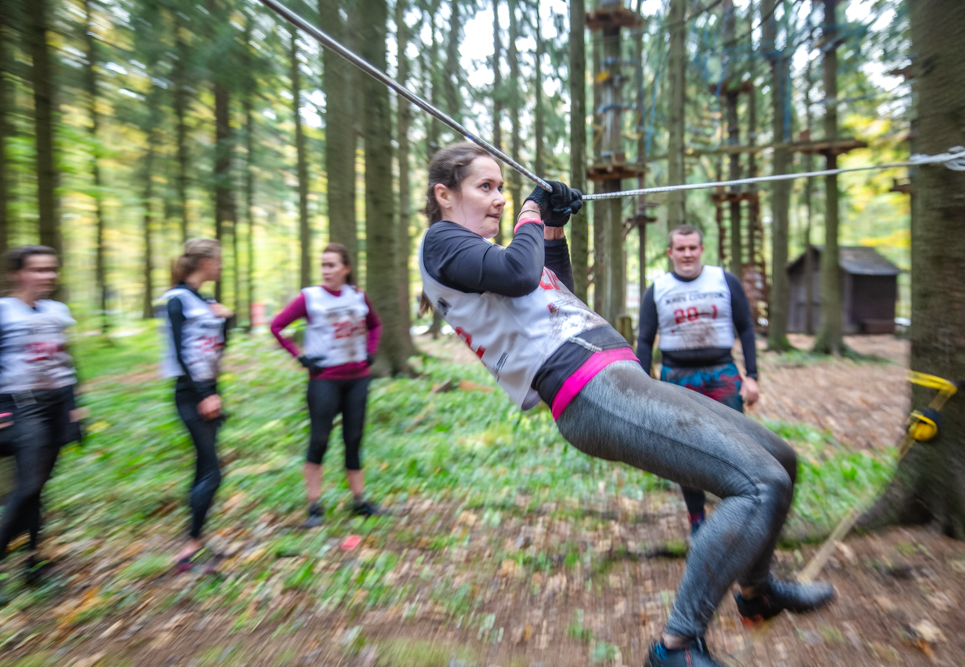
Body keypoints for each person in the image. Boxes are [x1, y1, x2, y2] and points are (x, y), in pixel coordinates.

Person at [418, 143, 834, 667]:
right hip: (590, 391)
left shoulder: (485, 256)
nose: (500, 199)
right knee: (758, 484)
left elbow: (555, 293)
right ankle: (678, 647)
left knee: (782, 460)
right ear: (444, 194)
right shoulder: (442, 242)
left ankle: (757, 591)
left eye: (503, 188)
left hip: (617, 377)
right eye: (486, 187)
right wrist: (530, 213)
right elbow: (522, 276)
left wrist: (551, 230)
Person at [637, 225, 760, 537]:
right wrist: (641, 380)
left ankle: (736, 519)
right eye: (681, 248)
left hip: (722, 374)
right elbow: (645, 339)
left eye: (693, 247)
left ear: (702, 249)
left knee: (735, 447)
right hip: (676, 377)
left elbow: (745, 328)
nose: (687, 254)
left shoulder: (724, 281)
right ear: (670, 253)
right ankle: (698, 523)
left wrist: (753, 376)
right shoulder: (658, 288)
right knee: (685, 453)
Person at [270, 243, 383, 527]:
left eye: (331, 265)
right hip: (325, 381)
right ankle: (314, 507)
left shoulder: (357, 296)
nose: (326, 270)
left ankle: (359, 501)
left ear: (346, 268)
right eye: (323, 265)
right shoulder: (310, 298)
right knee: (319, 440)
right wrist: (301, 357)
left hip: (358, 379)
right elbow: (276, 326)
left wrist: (370, 351)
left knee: (353, 439)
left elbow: (376, 324)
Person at [0, 246, 82, 584]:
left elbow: (66, 360)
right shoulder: (4, 311)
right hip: (20, 406)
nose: (46, 276)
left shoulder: (57, 310)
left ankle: (33, 561)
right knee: (29, 484)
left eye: (51, 269)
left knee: (37, 486)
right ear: (18, 273)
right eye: (37, 270)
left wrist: (76, 405)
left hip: (56, 404)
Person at [159, 238, 232, 571]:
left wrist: (227, 322)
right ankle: (188, 548)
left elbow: (216, 348)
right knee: (213, 473)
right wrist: (203, 395)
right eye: (217, 261)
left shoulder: (206, 300)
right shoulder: (177, 300)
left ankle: (196, 540)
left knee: (204, 468)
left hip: (210, 390)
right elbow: (178, 354)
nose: (220, 266)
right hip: (191, 393)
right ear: (204, 262)